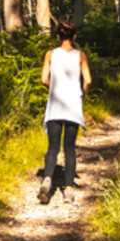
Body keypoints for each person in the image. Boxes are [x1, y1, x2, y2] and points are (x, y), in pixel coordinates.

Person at [39, 21, 91, 203]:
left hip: (55, 105)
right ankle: (68, 191)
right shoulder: (80, 55)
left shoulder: (50, 55)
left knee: (53, 146)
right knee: (69, 148)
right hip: (73, 106)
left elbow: (44, 79)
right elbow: (88, 80)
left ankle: (47, 178)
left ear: (58, 36)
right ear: (74, 36)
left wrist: (53, 86)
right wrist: (81, 93)